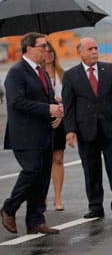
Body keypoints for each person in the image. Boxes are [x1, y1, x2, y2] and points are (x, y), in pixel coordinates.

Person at [62, 37, 112, 219]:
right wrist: (69, 130)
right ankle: (95, 206)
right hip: (86, 131)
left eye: (96, 48)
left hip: (110, 128)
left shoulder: (111, 70)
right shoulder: (71, 76)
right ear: (80, 53)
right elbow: (68, 106)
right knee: (91, 169)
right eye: (90, 49)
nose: (95, 51)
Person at [1, 32, 62, 235]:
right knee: (32, 171)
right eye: (43, 46)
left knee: (42, 177)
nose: (47, 50)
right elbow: (16, 102)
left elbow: (48, 100)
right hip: (25, 135)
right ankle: (9, 208)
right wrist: (47, 109)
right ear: (29, 48)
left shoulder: (41, 71)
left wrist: (56, 111)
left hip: (44, 133)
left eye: (47, 46)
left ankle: (35, 220)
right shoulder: (16, 72)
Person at [44, 41, 66, 211]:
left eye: (52, 51)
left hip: (59, 120)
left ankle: (57, 198)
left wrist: (61, 108)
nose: (49, 54)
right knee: (43, 160)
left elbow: (70, 97)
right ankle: (41, 197)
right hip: (42, 120)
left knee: (58, 159)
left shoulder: (62, 74)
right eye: (46, 51)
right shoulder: (37, 74)